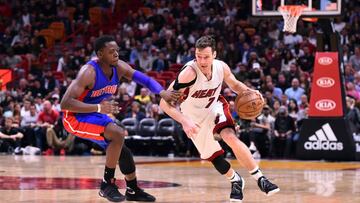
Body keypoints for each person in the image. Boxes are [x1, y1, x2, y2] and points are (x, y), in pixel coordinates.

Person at [159, 36, 279, 202]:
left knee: (229, 135)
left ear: (214, 54)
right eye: (198, 56)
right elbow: (164, 104)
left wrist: (251, 92)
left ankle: (261, 179)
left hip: (214, 107)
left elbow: (236, 85)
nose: (202, 61)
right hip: (192, 117)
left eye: (206, 57)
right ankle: (236, 180)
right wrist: (184, 121)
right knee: (213, 157)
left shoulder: (221, 67)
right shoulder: (188, 74)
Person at [60, 35, 180, 202]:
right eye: (111, 51)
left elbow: (144, 79)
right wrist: (99, 108)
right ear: (100, 54)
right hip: (74, 118)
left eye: (117, 50)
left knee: (122, 150)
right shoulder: (89, 72)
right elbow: (65, 103)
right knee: (117, 134)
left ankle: (132, 189)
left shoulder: (119, 67)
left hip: (93, 114)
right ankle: (106, 184)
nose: (116, 54)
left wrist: (162, 92)